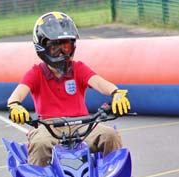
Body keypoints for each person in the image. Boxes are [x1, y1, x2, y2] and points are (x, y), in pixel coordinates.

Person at [7, 12, 131, 167]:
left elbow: (99, 82)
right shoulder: (36, 72)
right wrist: (15, 105)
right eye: (55, 47)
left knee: (110, 135)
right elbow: (17, 93)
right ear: (42, 47)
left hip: (83, 125)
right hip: (49, 127)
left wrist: (116, 93)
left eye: (66, 46)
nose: (62, 52)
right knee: (39, 143)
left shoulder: (78, 68)